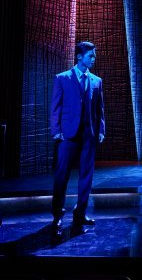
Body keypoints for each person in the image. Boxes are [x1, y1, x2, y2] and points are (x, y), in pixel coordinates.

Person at [50, 41, 105, 231]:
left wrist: (101, 130)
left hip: (88, 135)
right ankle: (57, 214)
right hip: (67, 135)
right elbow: (56, 107)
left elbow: (99, 109)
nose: (94, 58)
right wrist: (56, 130)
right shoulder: (62, 78)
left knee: (86, 176)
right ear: (79, 57)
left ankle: (80, 213)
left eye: (94, 55)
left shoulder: (96, 81)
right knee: (62, 175)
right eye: (91, 55)